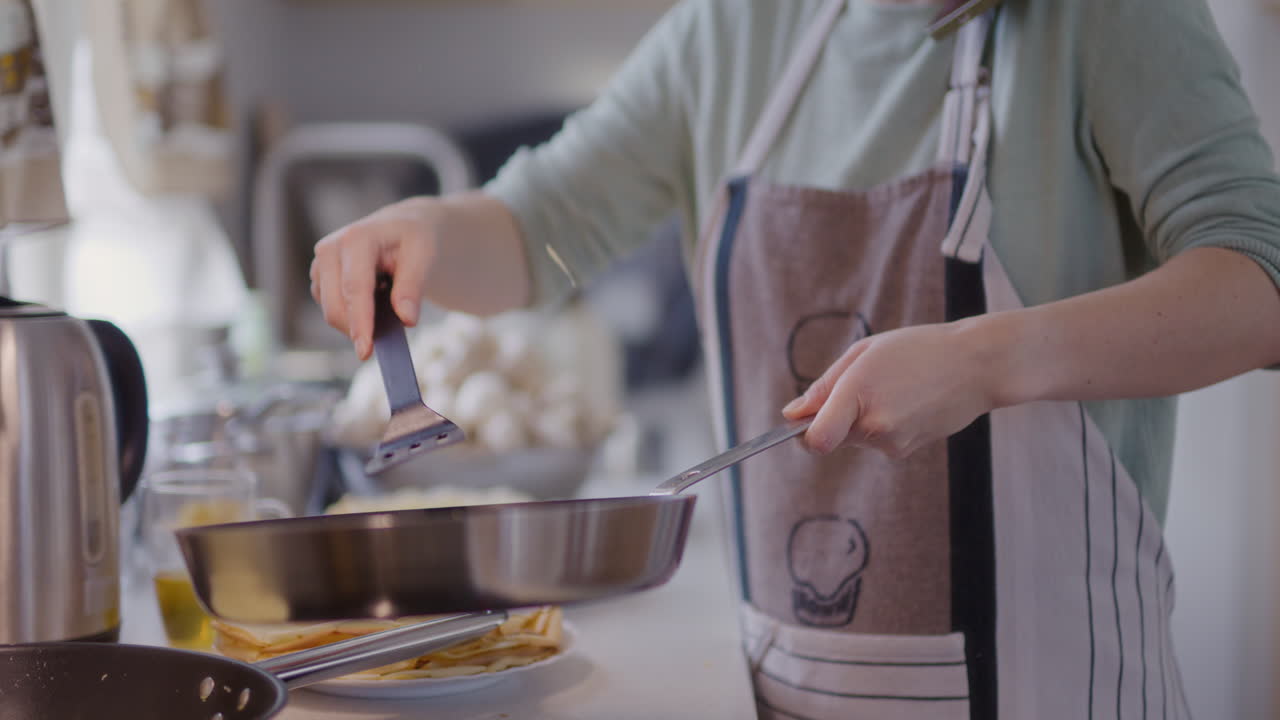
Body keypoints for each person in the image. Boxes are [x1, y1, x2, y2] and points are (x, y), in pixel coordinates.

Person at [309, 0, 1280, 717]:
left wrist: (983, 359)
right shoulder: (733, 33)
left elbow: (1258, 281)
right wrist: (426, 228)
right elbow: (538, 231)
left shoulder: (1101, 19)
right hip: (784, 693)